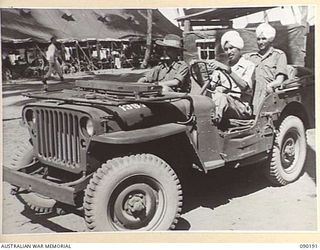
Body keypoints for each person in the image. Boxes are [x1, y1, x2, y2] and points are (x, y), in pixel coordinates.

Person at [208, 31, 255, 124]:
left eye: (231, 48)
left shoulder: (249, 65)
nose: (229, 52)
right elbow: (211, 87)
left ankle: (212, 124)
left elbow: (246, 87)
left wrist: (227, 70)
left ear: (238, 48)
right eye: (226, 49)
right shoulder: (221, 66)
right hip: (224, 104)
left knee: (221, 98)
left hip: (241, 107)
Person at [244, 22, 288, 113]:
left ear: (270, 39)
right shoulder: (251, 57)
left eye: (264, 39)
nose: (260, 42)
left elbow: (279, 80)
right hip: (252, 96)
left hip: (268, 95)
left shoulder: (279, 55)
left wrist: (269, 86)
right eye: (258, 39)